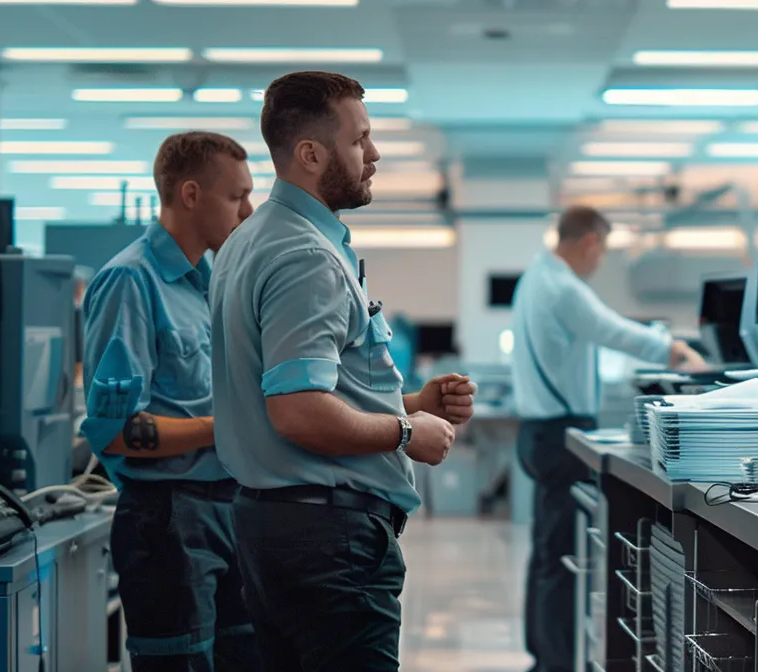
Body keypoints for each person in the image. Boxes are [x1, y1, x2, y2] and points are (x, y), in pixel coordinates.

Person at [208, 70, 477, 671]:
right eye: (359, 140)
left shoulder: (249, 241)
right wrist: (406, 433)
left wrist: (413, 403)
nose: (373, 155)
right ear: (310, 154)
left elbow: (303, 391)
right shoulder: (306, 256)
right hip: (329, 543)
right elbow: (299, 412)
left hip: (275, 526)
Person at [81, 131, 260, 671]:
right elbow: (117, 432)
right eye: (237, 197)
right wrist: (227, 425)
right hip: (168, 519)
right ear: (190, 195)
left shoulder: (210, 283)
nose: (248, 212)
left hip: (229, 507)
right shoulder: (130, 281)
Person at [511, 205, 706, 672]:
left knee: (546, 553)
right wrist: (675, 349)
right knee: (559, 557)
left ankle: (543, 657)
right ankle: (555, 665)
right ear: (590, 242)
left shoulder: (535, 277)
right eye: (602, 252)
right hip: (561, 434)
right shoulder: (563, 288)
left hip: (537, 432)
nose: (599, 262)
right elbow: (613, 331)